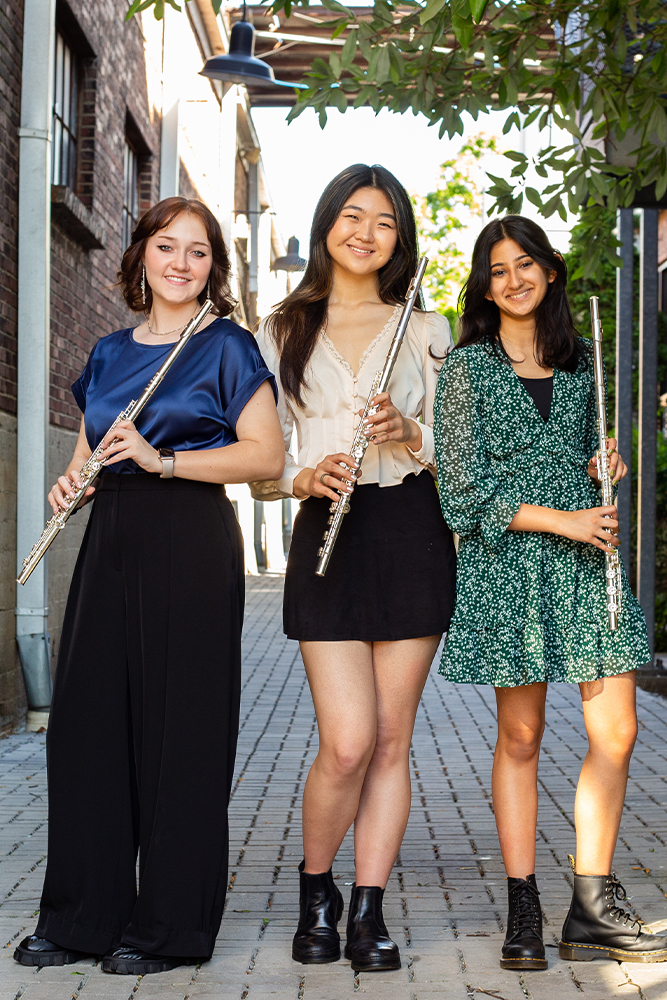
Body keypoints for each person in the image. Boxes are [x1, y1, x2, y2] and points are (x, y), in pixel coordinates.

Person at [14, 197, 284, 976]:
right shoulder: (105, 353)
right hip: (112, 537)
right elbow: (86, 453)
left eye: (198, 253)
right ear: (140, 256)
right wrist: (73, 485)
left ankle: (168, 927)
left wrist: (164, 460)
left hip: (188, 533)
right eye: (167, 247)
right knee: (87, 726)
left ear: (212, 269)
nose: (180, 263)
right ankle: (81, 919)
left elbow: (265, 455)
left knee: (179, 731)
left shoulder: (226, 347)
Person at [434, 215, 667, 970]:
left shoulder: (583, 361)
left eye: (525, 263)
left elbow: (593, 457)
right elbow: (462, 494)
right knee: (522, 738)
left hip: (585, 563)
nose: (513, 279)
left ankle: (592, 907)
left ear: (551, 272)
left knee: (617, 733)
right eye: (497, 269)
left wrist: (607, 464)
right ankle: (523, 905)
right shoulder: (464, 369)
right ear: (484, 284)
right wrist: (560, 519)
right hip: (509, 568)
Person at [251, 164, 457, 972]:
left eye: (383, 221)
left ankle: (367, 910)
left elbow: (459, 448)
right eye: (351, 214)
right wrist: (299, 476)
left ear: (399, 239)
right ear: (327, 223)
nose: (365, 231)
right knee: (344, 741)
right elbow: (264, 451)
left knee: (388, 740)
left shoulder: (427, 328)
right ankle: (316, 890)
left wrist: (408, 431)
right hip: (324, 528)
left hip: (409, 527)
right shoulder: (280, 329)